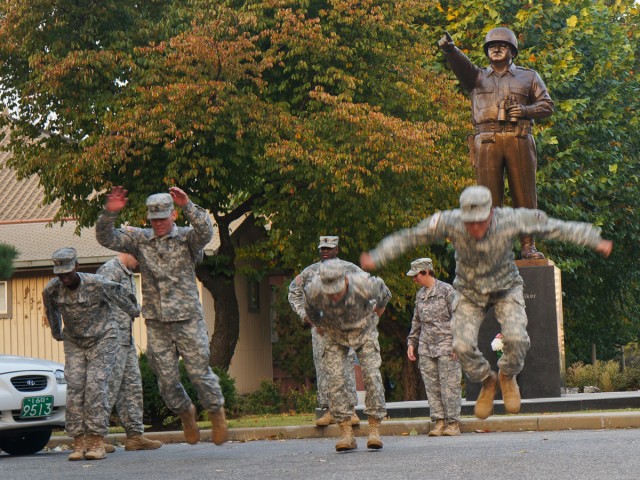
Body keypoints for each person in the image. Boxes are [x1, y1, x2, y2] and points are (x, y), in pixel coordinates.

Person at [360, 186, 613, 420]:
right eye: (471, 223)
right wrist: (378, 255)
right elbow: (411, 237)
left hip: (505, 288)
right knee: (460, 344)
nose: (476, 228)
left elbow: (556, 227)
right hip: (470, 291)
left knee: (517, 338)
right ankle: (487, 380)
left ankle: (507, 375)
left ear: (491, 212)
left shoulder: (511, 218)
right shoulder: (449, 221)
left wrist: (594, 240)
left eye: (481, 222)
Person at [96, 186, 228, 446]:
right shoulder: (140, 241)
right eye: (154, 220)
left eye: (163, 219)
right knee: (166, 381)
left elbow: (206, 232)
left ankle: (216, 412)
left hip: (187, 319)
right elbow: (106, 238)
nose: (158, 225)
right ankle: (185, 413)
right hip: (157, 321)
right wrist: (110, 213)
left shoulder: (187, 239)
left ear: (173, 216)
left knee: (199, 373)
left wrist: (188, 204)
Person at [439, 27, 554, 259]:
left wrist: (524, 110)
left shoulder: (529, 76)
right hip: (487, 140)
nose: (496, 49)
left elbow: (547, 106)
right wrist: (450, 50)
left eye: (502, 45)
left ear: (513, 50)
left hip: (518, 137)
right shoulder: (476, 76)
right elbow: (461, 64)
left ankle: (528, 245)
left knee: (525, 195)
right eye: (492, 46)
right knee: (488, 198)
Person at [43, 247, 141, 461]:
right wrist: (57, 333)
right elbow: (51, 311)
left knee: (96, 386)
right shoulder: (52, 290)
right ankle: (79, 442)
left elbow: (121, 293)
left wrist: (134, 310)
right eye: (60, 274)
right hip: (75, 341)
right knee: (76, 387)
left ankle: (96, 442)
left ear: (77, 267)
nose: (64, 278)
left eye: (68, 272)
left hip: (103, 338)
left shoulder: (97, 283)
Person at [304, 260, 391, 452]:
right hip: (335, 335)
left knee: (372, 376)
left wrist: (374, 317)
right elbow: (310, 312)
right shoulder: (313, 290)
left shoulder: (367, 283)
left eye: (337, 289)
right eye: (330, 290)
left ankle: (374, 430)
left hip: (363, 332)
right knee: (334, 381)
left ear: (345, 280)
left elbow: (385, 298)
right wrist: (320, 326)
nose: (334, 295)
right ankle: (346, 433)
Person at [288, 235, 361, 427]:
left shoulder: (350, 269)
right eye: (322, 248)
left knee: (345, 367)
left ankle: (351, 410)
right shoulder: (309, 272)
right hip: (320, 328)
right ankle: (329, 410)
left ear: (337, 249)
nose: (325, 251)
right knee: (323, 367)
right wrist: (304, 315)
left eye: (329, 248)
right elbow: (293, 292)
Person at [97, 253, 162, 451]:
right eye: (139, 255)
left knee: (132, 388)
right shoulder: (110, 270)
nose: (141, 261)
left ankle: (135, 436)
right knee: (106, 389)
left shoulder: (128, 273)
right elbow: (99, 302)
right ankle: (96, 438)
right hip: (111, 341)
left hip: (126, 339)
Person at [406, 258, 462, 437]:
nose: (414, 279)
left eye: (416, 275)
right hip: (426, 347)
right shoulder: (420, 295)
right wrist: (411, 343)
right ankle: (438, 421)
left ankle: (453, 423)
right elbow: (416, 321)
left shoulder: (447, 290)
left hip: (446, 345)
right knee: (432, 386)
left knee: (449, 385)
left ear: (426, 272)